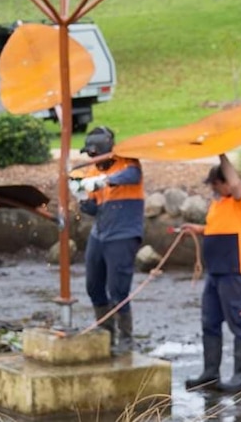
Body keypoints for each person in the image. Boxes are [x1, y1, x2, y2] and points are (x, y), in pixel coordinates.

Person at [181, 154, 241, 393]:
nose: (213, 189)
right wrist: (199, 229)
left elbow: (235, 183)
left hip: (235, 271)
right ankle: (210, 374)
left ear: (224, 183)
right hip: (215, 272)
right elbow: (219, 227)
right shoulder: (218, 203)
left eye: (215, 184)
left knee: (239, 322)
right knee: (209, 323)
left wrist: (221, 152)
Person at [77, 126, 145, 353]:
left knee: (118, 289)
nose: (94, 160)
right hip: (101, 233)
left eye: (96, 155)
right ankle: (106, 333)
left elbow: (132, 177)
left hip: (124, 234)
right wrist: (81, 198)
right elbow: (94, 208)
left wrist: (105, 181)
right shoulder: (91, 172)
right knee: (93, 285)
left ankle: (126, 337)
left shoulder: (127, 163)